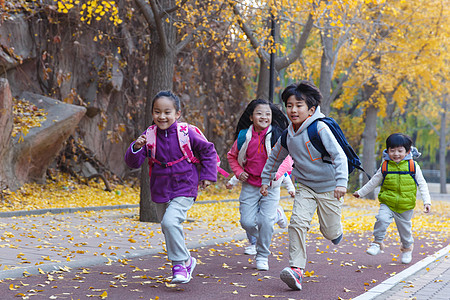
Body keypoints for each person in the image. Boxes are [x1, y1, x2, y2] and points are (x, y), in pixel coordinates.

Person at [260, 81, 348, 291]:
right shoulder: (286, 135)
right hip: (305, 187)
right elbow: (274, 158)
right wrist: (266, 179)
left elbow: (339, 156)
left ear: (311, 109)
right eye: (289, 105)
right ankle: (297, 270)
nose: (293, 110)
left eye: (299, 105)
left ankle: (335, 230)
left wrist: (341, 183)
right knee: (297, 223)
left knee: (330, 232)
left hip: (329, 188)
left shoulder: (320, 128)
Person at [124, 90, 218, 284]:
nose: (162, 116)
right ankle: (187, 260)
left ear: (177, 114)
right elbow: (133, 163)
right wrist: (136, 147)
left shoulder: (186, 132)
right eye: (157, 112)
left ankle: (179, 264)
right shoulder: (148, 135)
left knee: (169, 222)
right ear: (152, 114)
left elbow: (208, 150)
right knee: (169, 227)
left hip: (185, 185)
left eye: (167, 112)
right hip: (160, 188)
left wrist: (208, 175)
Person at [227, 99, 292, 271]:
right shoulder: (243, 136)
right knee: (247, 222)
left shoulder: (278, 135)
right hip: (250, 184)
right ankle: (272, 223)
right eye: (259, 113)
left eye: (268, 114)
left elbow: (287, 159)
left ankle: (262, 255)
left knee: (266, 222)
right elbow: (231, 156)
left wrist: (274, 176)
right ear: (251, 117)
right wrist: (238, 172)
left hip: (271, 186)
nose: (264, 116)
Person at [353, 133, 431, 264]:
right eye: (392, 150)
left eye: (400, 151)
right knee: (382, 219)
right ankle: (377, 243)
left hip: (405, 205)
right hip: (387, 202)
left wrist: (427, 202)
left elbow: (423, 184)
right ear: (387, 151)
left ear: (407, 152)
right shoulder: (385, 166)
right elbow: (374, 182)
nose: (396, 154)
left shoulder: (413, 166)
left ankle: (407, 249)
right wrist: (361, 193)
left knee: (405, 231)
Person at [226, 173, 295, 255]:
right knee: (249, 220)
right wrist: (232, 181)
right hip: (251, 188)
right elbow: (245, 170)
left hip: (269, 190)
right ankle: (254, 243)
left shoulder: (274, 162)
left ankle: (276, 215)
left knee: (264, 219)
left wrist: (290, 188)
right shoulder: (253, 161)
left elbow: (284, 174)